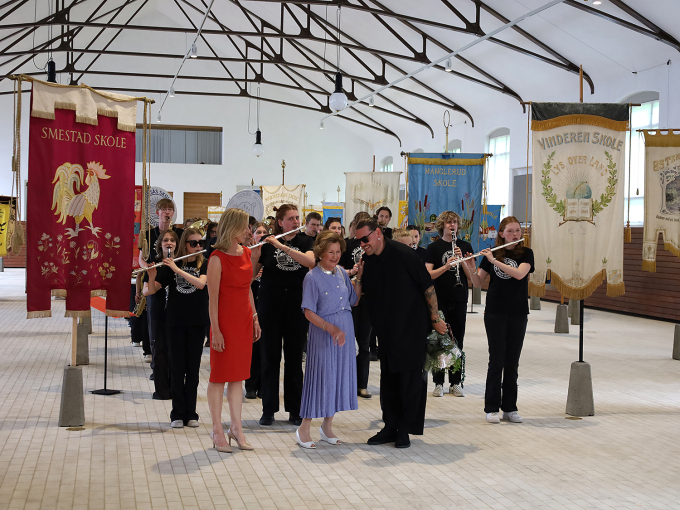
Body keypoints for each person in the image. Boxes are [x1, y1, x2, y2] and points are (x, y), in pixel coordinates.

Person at [356, 218, 446, 448]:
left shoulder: (404, 254)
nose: (362, 244)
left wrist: (435, 318)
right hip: (386, 331)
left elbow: (427, 286)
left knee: (410, 380)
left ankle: (404, 429)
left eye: (364, 239)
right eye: (358, 240)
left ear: (377, 233)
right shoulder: (368, 260)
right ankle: (390, 426)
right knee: (389, 379)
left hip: (411, 328)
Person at [295, 231, 364, 448]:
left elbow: (354, 301)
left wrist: (359, 277)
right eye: (330, 252)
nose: (334, 256)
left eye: (337, 252)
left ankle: (327, 426)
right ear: (320, 253)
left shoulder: (342, 273)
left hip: (345, 329)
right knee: (320, 378)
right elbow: (308, 311)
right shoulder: (312, 277)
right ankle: (303, 428)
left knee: (338, 378)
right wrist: (330, 328)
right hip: (323, 332)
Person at [253, 204, 315, 426]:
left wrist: (280, 245)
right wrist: (255, 253)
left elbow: (310, 261)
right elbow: (251, 274)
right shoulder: (267, 242)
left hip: (296, 307)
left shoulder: (306, 241)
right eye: (291, 218)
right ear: (280, 222)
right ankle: (268, 409)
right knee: (270, 358)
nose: (296, 222)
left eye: (298, 218)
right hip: (270, 307)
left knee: (294, 360)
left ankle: (295, 410)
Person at [468, 216, 534, 424]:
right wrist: (469, 264)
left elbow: (519, 274)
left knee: (512, 362)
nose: (515, 235)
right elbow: (477, 282)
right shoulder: (493, 253)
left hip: (518, 313)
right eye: (510, 231)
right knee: (496, 360)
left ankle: (510, 408)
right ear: (501, 233)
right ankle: (491, 408)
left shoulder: (526, 253)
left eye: (517, 231)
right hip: (495, 313)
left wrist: (494, 261)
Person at [206, 208, 262, 452]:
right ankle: (217, 429)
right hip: (224, 322)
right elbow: (213, 298)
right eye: (245, 227)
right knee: (219, 377)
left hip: (243, 319)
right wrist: (216, 330)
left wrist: (255, 317)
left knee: (238, 376)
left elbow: (247, 289)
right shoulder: (217, 258)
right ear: (232, 227)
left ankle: (236, 427)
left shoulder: (247, 253)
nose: (248, 231)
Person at [145, 228, 208, 428]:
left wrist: (176, 270)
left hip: (197, 323)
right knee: (177, 368)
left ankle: (191, 413)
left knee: (193, 370)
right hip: (175, 323)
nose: (198, 247)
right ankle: (177, 414)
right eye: (193, 243)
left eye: (200, 243)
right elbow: (153, 289)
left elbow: (200, 284)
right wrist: (152, 274)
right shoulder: (172, 265)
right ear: (184, 245)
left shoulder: (204, 265)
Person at [425, 211, 475, 398]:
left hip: (459, 297)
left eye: (454, 222)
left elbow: (473, 276)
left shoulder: (465, 246)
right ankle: (438, 382)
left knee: (457, 341)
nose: (452, 225)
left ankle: (456, 382)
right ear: (442, 226)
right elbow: (427, 274)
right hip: (439, 299)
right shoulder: (434, 247)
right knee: (439, 340)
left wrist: (462, 261)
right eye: (448, 223)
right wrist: (446, 266)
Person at [137, 199, 183, 381]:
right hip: (154, 279)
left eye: (170, 209)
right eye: (164, 209)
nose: (167, 212)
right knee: (155, 327)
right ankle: (157, 367)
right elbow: (140, 258)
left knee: (172, 328)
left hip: (173, 280)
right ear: (158, 213)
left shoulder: (178, 233)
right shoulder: (148, 234)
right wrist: (148, 269)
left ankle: (172, 368)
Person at [142, 229, 180, 400]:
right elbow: (146, 291)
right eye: (166, 240)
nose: (169, 243)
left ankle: (175, 387)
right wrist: (152, 277)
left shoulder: (180, 263)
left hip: (176, 313)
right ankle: (161, 390)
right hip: (158, 312)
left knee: (175, 352)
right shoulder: (155, 263)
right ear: (160, 244)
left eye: (172, 240)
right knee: (159, 351)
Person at [340, 211, 373, 398]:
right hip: (349, 297)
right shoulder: (347, 245)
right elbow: (339, 269)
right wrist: (352, 272)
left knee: (364, 342)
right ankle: (347, 382)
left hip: (367, 298)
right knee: (348, 342)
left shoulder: (373, 246)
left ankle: (362, 383)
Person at [245, 222, 269, 400]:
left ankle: (263, 386)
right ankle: (251, 385)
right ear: (252, 235)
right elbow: (245, 281)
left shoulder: (270, 253)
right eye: (258, 232)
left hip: (266, 303)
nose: (261, 235)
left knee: (265, 348)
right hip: (250, 304)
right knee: (252, 347)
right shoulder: (247, 253)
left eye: (264, 232)